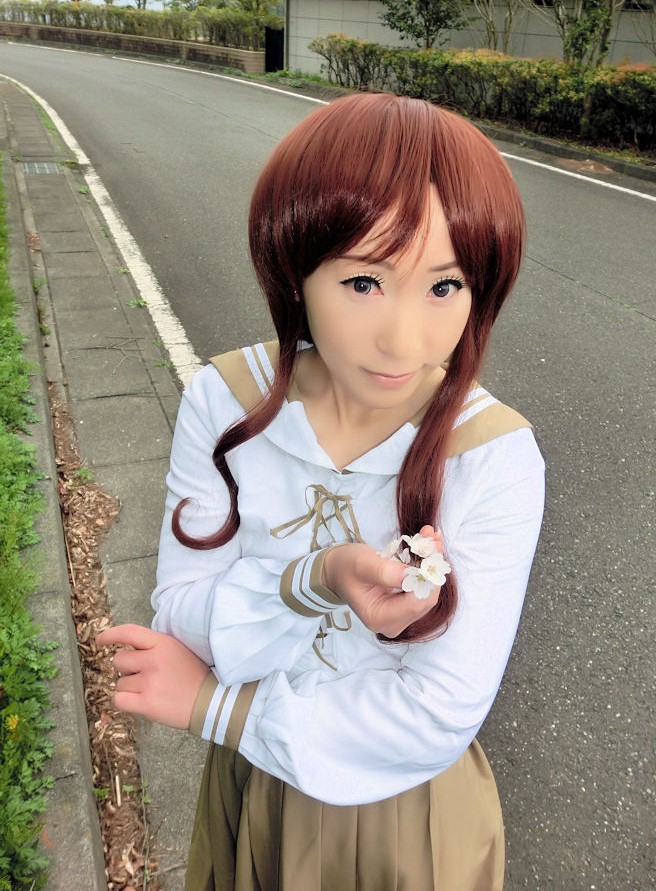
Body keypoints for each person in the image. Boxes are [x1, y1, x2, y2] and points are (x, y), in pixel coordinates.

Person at [98, 92, 545, 891]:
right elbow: (180, 612)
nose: (404, 340)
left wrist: (218, 706)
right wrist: (317, 577)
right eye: (365, 281)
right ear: (294, 270)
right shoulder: (227, 400)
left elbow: (437, 713)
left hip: (407, 815)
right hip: (250, 785)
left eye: (445, 286)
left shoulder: (493, 455)